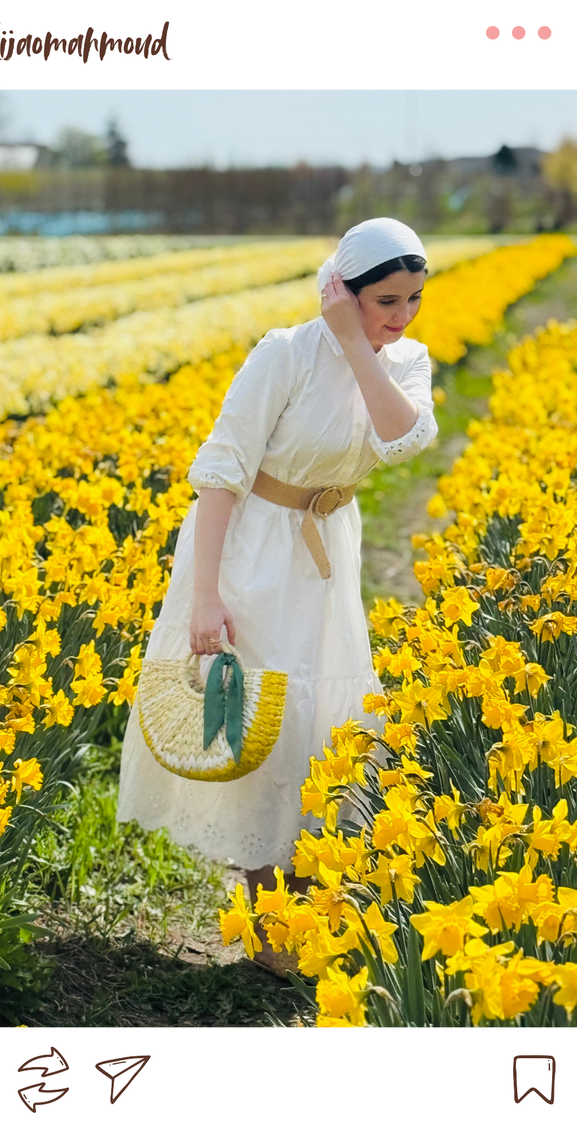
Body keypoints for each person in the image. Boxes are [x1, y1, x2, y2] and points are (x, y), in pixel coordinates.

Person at [116, 217, 439, 973]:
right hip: (253, 549)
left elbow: (404, 439)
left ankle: (301, 904)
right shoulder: (283, 353)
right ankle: (268, 918)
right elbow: (221, 472)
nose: (401, 315)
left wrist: (359, 345)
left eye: (412, 299)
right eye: (384, 299)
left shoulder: (406, 360)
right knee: (260, 722)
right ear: (343, 290)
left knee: (322, 725)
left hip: (326, 551)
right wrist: (204, 598)